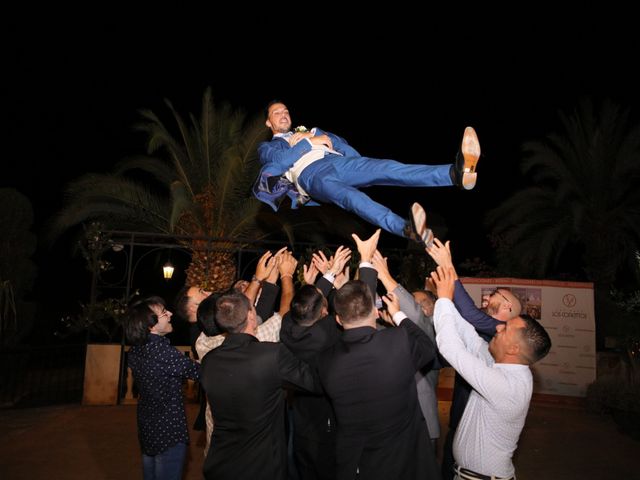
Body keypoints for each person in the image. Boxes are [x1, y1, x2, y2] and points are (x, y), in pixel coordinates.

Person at [253, 100, 481, 239]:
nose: (283, 114)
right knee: (352, 198)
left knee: (387, 167)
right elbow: (279, 161)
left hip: (338, 163)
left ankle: (454, 174)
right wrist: (308, 143)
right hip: (312, 176)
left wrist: (358, 164)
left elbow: (340, 144)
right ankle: (406, 229)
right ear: (268, 122)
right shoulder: (267, 146)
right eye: (276, 113)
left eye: (285, 111)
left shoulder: (310, 131)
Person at [430, 265, 551, 480]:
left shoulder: (507, 385)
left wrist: (444, 300)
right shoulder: (505, 369)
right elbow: (470, 338)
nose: (497, 328)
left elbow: (451, 348)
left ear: (514, 349)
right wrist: (447, 294)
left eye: (505, 329)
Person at [316, 280, 441, 480]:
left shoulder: (326, 360)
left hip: (357, 465)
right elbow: (426, 347)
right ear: (375, 311)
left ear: (339, 320)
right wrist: (399, 315)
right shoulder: (398, 341)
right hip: (403, 462)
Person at [424, 234, 523, 480]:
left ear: (508, 307)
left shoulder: (497, 327)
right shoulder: (485, 331)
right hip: (462, 418)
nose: (487, 297)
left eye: (494, 295)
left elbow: (466, 312)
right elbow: (460, 322)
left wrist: (448, 265)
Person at [199, 292, 320, 480]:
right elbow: (314, 382)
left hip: (220, 463)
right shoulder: (271, 355)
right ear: (250, 315)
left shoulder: (208, 361)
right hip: (262, 467)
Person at [124, 295, 200, 480]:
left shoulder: (137, 350)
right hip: (169, 430)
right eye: (164, 313)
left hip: (149, 426)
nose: (171, 314)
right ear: (151, 326)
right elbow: (199, 372)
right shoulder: (163, 352)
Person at [371, 251, 442, 451]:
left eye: (417, 304)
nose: (409, 307)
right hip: (391, 426)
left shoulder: (433, 332)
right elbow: (367, 313)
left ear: (430, 310)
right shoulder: (390, 328)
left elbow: (416, 319)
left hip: (421, 426)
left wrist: (385, 275)